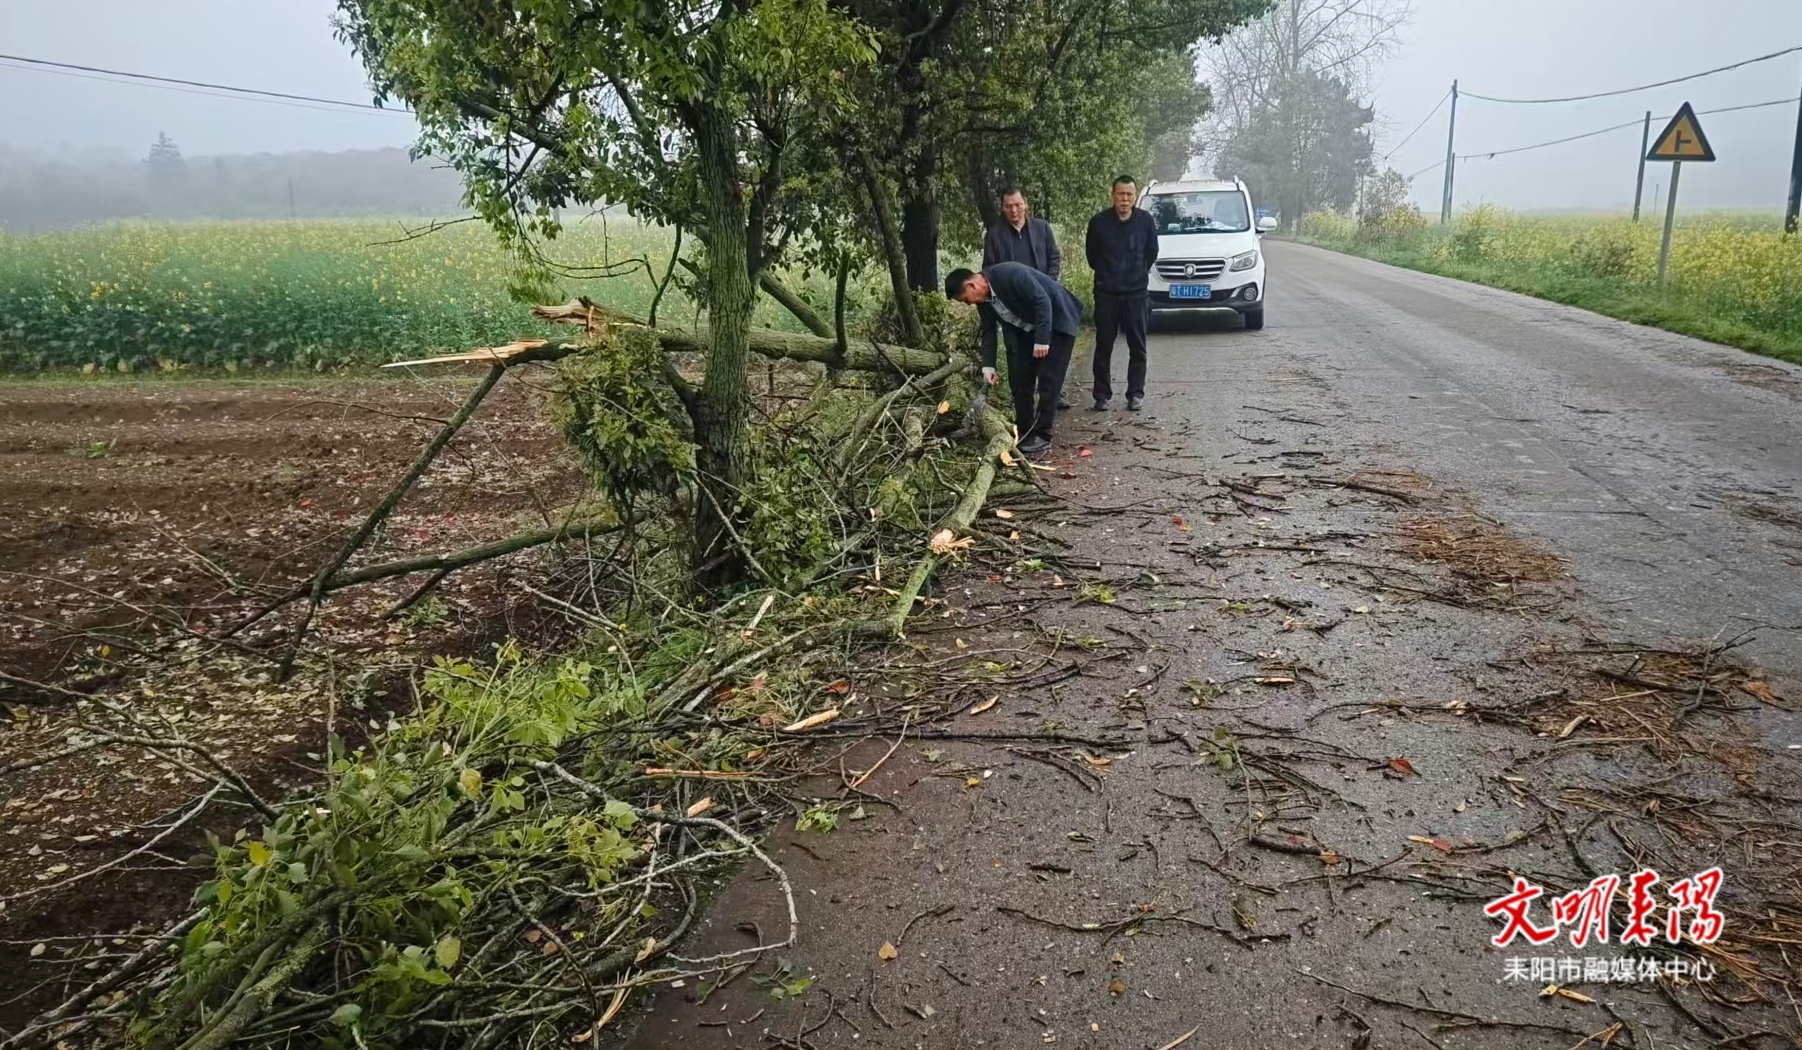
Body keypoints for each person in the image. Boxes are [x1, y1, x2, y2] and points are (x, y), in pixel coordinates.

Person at [945, 261, 1082, 456]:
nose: (969, 304)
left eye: (966, 300)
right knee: (1019, 378)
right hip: (1028, 332)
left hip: (1058, 322)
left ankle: (1042, 435)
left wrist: (1042, 340)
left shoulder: (1010, 274)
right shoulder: (984, 303)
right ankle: (1025, 431)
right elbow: (988, 331)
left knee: (1049, 379)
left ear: (971, 285)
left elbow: (1042, 301)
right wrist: (988, 366)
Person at [982, 188, 1070, 410]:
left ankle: (1051, 394)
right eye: (1008, 206)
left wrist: (1048, 284)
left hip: (1041, 299)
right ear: (1003, 208)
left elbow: (1054, 257)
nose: (1014, 210)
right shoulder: (994, 235)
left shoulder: (1042, 227)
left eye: (1018, 205)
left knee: (1045, 345)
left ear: (1025, 204)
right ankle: (1019, 396)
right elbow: (988, 269)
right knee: (1016, 351)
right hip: (1013, 305)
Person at [1084, 174, 1160, 412]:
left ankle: (1135, 393)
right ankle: (1101, 395)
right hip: (1106, 293)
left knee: (1138, 346)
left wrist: (1137, 273)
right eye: (1120, 194)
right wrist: (1109, 274)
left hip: (1136, 294)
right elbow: (1092, 257)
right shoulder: (1098, 223)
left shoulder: (1145, 221)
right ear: (1113, 195)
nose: (1124, 199)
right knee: (1103, 346)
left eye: (1129, 194)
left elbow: (1152, 251)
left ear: (1135, 196)